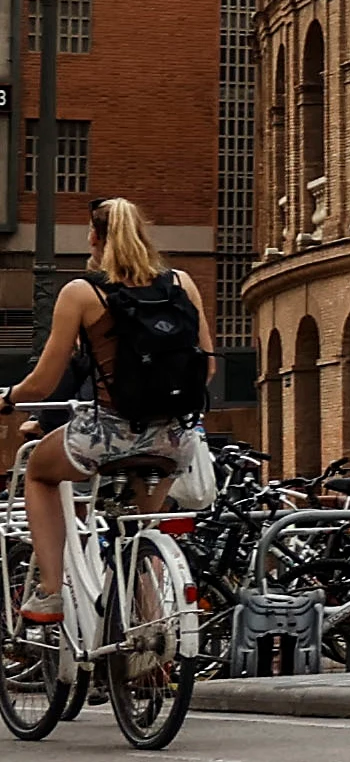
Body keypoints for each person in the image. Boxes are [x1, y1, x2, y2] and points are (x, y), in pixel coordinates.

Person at [7, 199, 218, 636]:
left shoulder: (83, 293)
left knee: (39, 473)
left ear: (94, 238)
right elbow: (208, 367)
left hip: (110, 435)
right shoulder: (182, 284)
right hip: (175, 442)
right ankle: (150, 641)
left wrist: (9, 397)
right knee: (138, 536)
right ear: (143, 233)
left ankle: (49, 591)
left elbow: (44, 382)